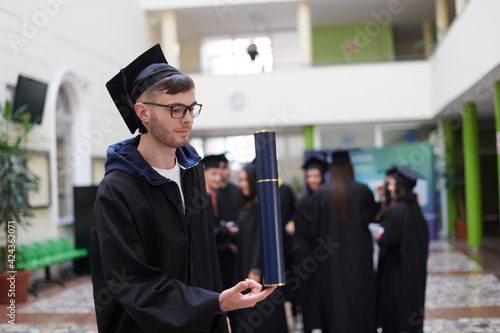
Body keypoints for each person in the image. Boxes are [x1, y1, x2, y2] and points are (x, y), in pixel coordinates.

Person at [91, 44, 276, 333]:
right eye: (175, 109)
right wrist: (213, 304)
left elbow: (206, 256)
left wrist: (218, 311)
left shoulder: (192, 171)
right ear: (143, 113)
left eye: (191, 108)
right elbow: (132, 283)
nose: (187, 118)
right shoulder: (117, 190)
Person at [295, 149, 378, 333]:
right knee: (360, 300)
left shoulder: (321, 195)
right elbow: (373, 216)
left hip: (330, 261)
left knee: (335, 303)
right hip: (359, 258)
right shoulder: (362, 191)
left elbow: (313, 230)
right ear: (349, 167)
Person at [231, 162, 288, 333]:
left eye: (245, 180)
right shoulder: (249, 205)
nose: (242, 185)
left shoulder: (260, 206)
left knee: (260, 313)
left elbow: (261, 239)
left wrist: (256, 269)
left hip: (258, 270)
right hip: (246, 263)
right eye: (240, 180)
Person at [372, 165, 429, 333]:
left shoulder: (396, 210)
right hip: (412, 269)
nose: (388, 188)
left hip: (395, 270)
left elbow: (389, 239)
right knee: (410, 306)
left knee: (394, 312)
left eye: (391, 184)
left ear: (400, 186)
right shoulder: (414, 209)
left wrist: (379, 236)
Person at [292, 154, 328, 332]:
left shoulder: (328, 199)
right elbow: (309, 231)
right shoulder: (303, 202)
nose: (312, 180)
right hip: (308, 258)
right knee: (310, 297)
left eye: (316, 176)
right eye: (309, 176)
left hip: (326, 259)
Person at [202, 154, 239, 290]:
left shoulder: (215, 195)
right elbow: (203, 231)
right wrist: (226, 230)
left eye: (219, 174)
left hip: (222, 255)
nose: (218, 178)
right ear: (203, 173)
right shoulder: (198, 199)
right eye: (213, 174)